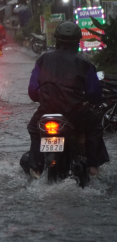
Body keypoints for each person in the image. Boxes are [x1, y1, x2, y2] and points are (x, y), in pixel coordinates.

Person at [24, 21, 109, 178]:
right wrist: (95, 100)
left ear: (57, 40)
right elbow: (94, 94)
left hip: (47, 111)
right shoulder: (85, 63)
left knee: (34, 128)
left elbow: (32, 91)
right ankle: (92, 166)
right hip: (76, 113)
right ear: (77, 41)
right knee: (96, 127)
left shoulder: (43, 59)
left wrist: (41, 99)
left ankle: (35, 167)